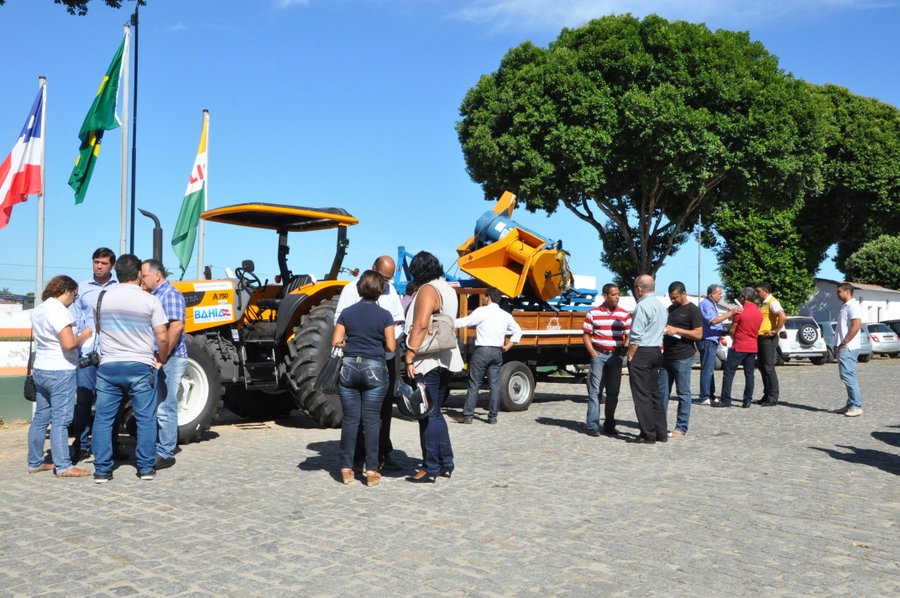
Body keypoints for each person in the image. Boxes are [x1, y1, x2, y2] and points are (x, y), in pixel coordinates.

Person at [91, 254, 170, 483]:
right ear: (138, 274)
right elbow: (162, 337)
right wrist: (161, 358)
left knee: (104, 419)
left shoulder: (102, 297)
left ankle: (102, 470)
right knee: (145, 418)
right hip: (140, 365)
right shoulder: (149, 300)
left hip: (108, 366)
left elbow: (98, 328)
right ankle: (145, 468)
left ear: (116, 272)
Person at [334, 255, 405, 471]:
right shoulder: (350, 290)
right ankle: (358, 457)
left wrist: (386, 339)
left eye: (389, 279)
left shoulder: (391, 291)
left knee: (383, 411)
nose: (386, 283)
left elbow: (399, 321)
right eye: (383, 277)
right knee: (356, 414)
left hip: (384, 358)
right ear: (373, 269)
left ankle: (383, 452)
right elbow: (338, 319)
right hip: (362, 358)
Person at [403, 251, 463, 483]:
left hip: (428, 358)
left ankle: (430, 467)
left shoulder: (428, 289)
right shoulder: (448, 289)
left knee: (427, 413)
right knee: (435, 411)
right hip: (445, 356)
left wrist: (409, 355)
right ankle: (446, 462)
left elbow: (420, 323)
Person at [27, 276, 94, 477]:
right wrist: (85, 335)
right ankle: (63, 465)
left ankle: (35, 462)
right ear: (66, 291)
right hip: (60, 369)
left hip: (41, 368)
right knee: (61, 420)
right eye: (74, 294)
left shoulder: (39, 309)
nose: (74, 299)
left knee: (40, 417)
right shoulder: (59, 311)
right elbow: (69, 343)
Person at [69, 247, 120, 463]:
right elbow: (74, 319)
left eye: (103, 263)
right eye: (96, 262)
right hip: (87, 354)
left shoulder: (121, 288)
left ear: (113, 266)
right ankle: (81, 445)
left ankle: (111, 447)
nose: (99, 266)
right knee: (83, 401)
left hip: (113, 353)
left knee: (112, 401)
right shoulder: (81, 288)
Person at [140, 259, 187, 469]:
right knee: (159, 404)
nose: (142, 278)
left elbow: (176, 327)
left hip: (170, 358)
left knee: (166, 406)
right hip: (161, 357)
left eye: (144, 275)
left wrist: (163, 355)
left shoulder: (170, 295)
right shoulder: (155, 296)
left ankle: (166, 453)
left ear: (157, 275)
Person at [453, 287, 523, 425]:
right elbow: (518, 332)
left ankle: (468, 415)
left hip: (482, 351)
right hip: (497, 352)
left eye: (484, 297)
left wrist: (448, 322)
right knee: (495, 385)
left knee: (474, 384)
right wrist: (508, 346)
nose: (484, 299)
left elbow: (464, 322)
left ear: (488, 297)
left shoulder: (482, 311)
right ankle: (492, 417)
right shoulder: (505, 315)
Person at [581, 283, 631, 437]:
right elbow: (586, 334)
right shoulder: (593, 313)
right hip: (599, 356)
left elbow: (629, 335)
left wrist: (623, 351)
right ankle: (592, 425)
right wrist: (593, 353)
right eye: (614, 294)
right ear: (605, 296)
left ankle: (609, 424)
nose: (617, 297)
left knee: (613, 393)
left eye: (618, 294)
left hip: (616, 357)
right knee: (595, 392)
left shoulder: (624, 315)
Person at [626, 274, 668, 444]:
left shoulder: (642, 306)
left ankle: (647, 434)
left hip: (642, 351)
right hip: (657, 350)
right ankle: (661, 432)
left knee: (642, 395)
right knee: (654, 393)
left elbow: (636, 334)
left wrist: (630, 354)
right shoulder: (661, 305)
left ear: (639, 289)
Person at [658, 281, 704, 438]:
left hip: (683, 356)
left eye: (675, 297)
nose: (672, 300)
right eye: (671, 298)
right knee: (662, 392)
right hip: (667, 356)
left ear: (683, 294)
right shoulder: (670, 309)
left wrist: (677, 330)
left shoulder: (693, 310)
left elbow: (698, 334)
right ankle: (660, 425)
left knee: (683, 392)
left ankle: (681, 428)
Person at [716, 288, 763, 408]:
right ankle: (747, 401)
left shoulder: (740, 311)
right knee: (749, 374)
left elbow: (732, 329)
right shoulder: (759, 312)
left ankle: (726, 399)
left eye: (741, 296)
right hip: (752, 346)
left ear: (745, 297)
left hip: (740, 345)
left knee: (729, 372)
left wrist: (733, 335)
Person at [696, 284, 741, 405]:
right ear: (712, 294)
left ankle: (710, 394)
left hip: (713, 339)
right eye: (719, 293)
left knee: (710, 368)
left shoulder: (712, 305)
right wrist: (731, 312)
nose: (721, 295)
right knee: (707, 368)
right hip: (707, 340)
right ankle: (704, 396)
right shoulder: (705, 304)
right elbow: (714, 320)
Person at [833, 282, 863, 417]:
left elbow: (856, 326)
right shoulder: (844, 307)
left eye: (839, 291)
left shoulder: (853, 306)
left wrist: (845, 342)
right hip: (843, 346)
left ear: (847, 292)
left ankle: (856, 405)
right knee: (845, 376)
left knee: (848, 375)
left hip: (848, 347)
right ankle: (851, 404)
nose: (837, 294)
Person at [754, 282, 785, 406]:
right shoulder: (763, 303)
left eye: (758, 291)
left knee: (768, 367)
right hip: (761, 337)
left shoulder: (773, 302)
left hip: (768, 339)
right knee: (762, 367)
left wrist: (774, 331)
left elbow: (782, 316)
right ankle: (766, 394)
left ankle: (773, 397)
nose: (757, 294)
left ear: (766, 291)